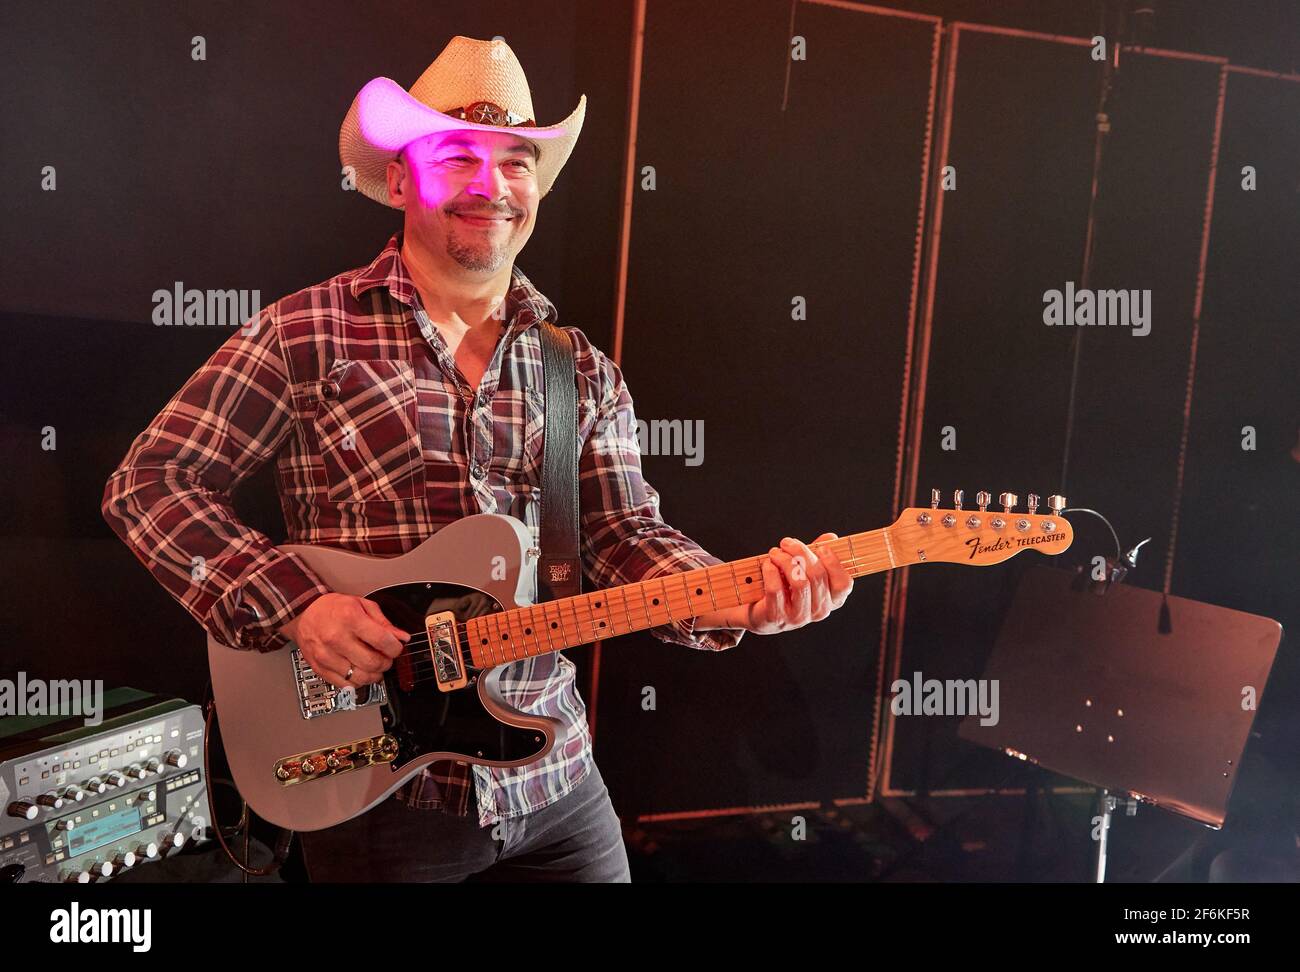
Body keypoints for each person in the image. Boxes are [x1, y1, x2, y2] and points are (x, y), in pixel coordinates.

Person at [101, 36, 853, 883]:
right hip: (380, 788)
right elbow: (150, 485)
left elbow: (624, 534)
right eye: (456, 156)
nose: (490, 185)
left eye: (515, 162)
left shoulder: (580, 369)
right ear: (397, 180)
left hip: (555, 774)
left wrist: (739, 598)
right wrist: (299, 606)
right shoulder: (304, 332)